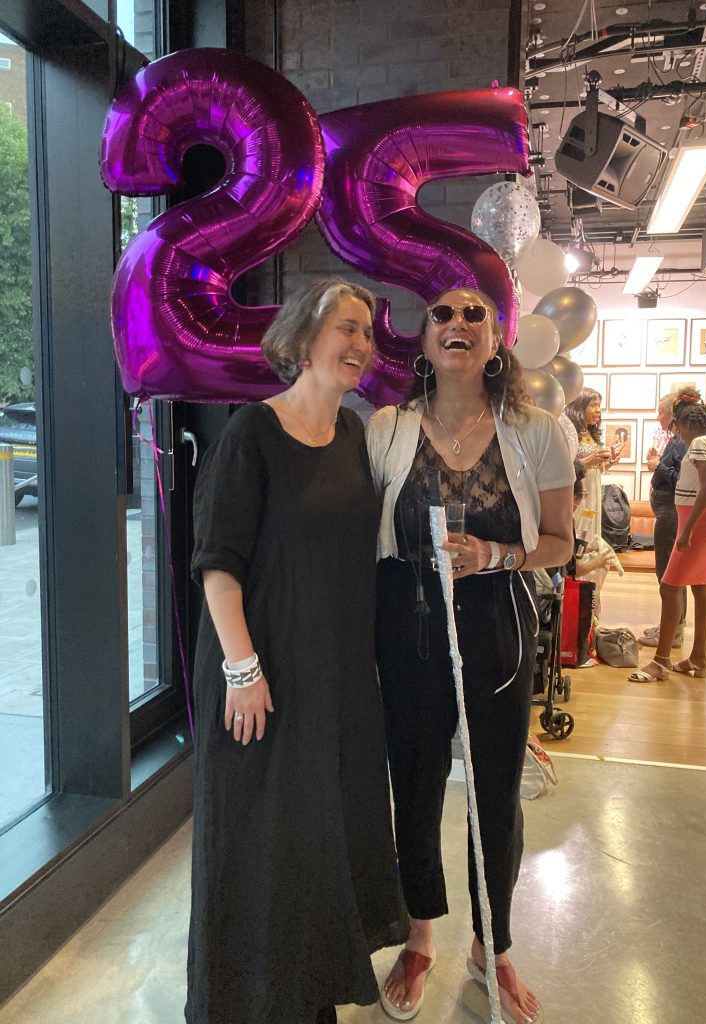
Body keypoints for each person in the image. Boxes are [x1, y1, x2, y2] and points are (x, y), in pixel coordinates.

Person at [185, 278, 408, 1024]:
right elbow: (218, 565)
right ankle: (244, 1004)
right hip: (263, 682)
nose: (360, 344)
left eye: (368, 334)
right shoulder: (251, 433)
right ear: (303, 335)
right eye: (346, 327)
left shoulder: (354, 435)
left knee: (319, 844)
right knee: (260, 844)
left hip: (336, 684)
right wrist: (242, 671)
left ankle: (305, 998)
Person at [366, 288, 574, 1024]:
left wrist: (493, 553)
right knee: (416, 782)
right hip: (407, 623)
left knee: (494, 791)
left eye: (473, 316)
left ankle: (496, 947)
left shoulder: (537, 430)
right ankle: (421, 935)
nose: (457, 324)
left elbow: (560, 542)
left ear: (497, 342)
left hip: (498, 624)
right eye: (442, 316)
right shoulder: (386, 430)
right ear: (424, 342)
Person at [629, 394, 706, 683]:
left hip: (697, 521)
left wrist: (687, 529)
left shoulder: (699, 444)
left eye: (679, 428)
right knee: (701, 586)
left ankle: (661, 661)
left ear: (687, 424)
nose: (679, 435)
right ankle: (698, 656)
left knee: (670, 585)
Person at [638, 392, 689, 649]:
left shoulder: (681, 442)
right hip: (668, 512)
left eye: (661, 412)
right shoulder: (677, 440)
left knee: (668, 574)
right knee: (673, 573)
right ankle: (672, 626)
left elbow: (681, 478)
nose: (658, 417)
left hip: (670, 513)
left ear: (673, 414)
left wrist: (658, 465)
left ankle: (673, 633)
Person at [562, 388, 618, 548]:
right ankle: (578, 566)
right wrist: (590, 460)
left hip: (593, 487)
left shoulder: (591, 432)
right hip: (578, 487)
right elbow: (566, 465)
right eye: (594, 405)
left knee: (591, 527)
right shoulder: (569, 431)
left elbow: (594, 467)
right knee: (579, 525)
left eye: (599, 405)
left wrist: (608, 463)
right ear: (580, 407)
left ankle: (591, 567)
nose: (598, 410)